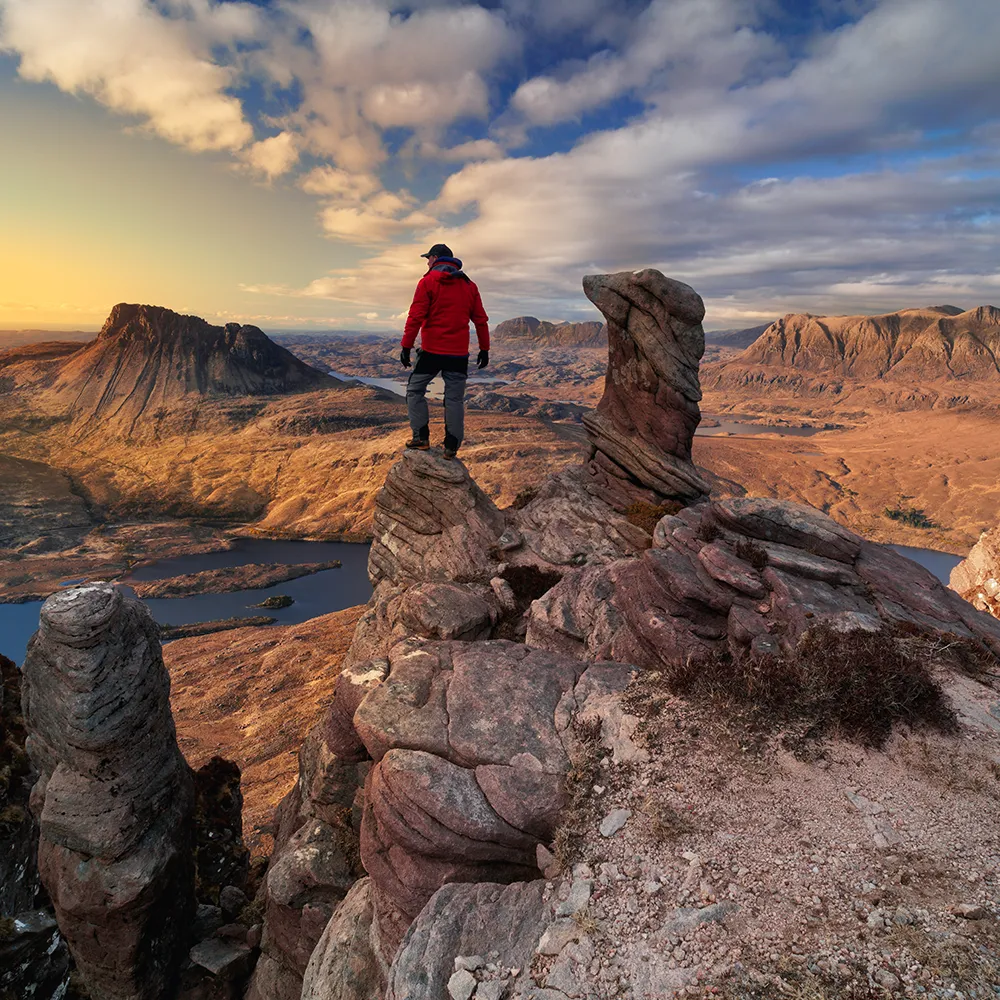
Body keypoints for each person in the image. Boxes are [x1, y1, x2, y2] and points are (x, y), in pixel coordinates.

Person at [399, 242, 490, 459]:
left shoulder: (428, 282)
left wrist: (406, 346)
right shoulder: (470, 286)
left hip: (431, 351)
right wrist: (484, 349)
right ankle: (451, 448)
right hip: (458, 355)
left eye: (428, 258)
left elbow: (415, 317)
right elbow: (480, 320)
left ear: (435, 258)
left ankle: (421, 438)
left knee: (414, 390)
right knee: (454, 399)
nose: (427, 262)